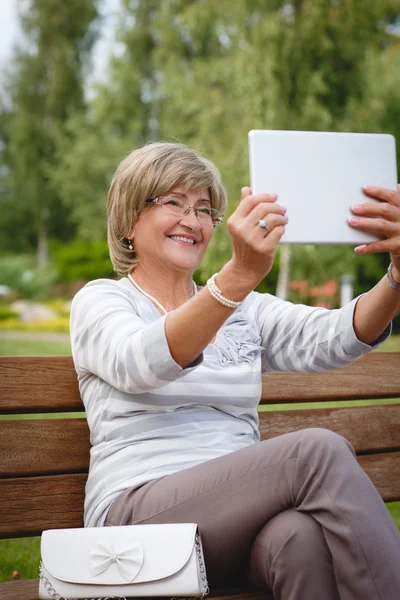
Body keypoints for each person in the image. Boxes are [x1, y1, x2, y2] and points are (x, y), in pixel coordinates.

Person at [70, 141, 400, 600]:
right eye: (173, 203)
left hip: (230, 524)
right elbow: (139, 364)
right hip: (136, 519)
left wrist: (397, 277)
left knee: (297, 541)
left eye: (205, 210)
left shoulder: (245, 310)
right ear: (127, 220)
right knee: (313, 453)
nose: (193, 220)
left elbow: (337, 335)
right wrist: (237, 277)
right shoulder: (103, 300)